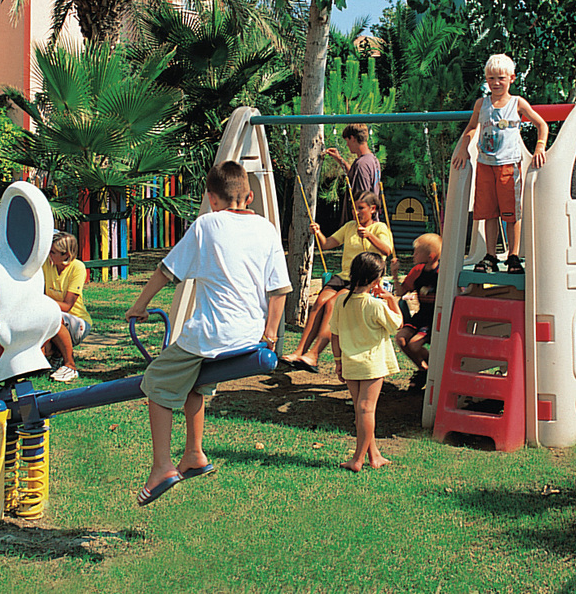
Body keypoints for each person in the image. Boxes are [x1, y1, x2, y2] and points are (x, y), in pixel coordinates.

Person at [124, 160, 290, 506]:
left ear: (211, 199)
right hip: (251, 335)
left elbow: (167, 271)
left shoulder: (206, 225)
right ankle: (194, 453)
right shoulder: (267, 229)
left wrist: (139, 306)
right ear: (249, 196)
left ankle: (161, 467)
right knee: (195, 381)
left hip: (213, 334)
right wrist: (270, 335)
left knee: (156, 380)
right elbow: (279, 290)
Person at [451, 53, 549, 274]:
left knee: (511, 213)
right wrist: (464, 149)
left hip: (508, 165)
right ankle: (490, 255)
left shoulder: (517, 103)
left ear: (511, 78)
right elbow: (472, 127)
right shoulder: (481, 104)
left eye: (501, 78)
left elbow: (541, 124)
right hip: (485, 164)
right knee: (489, 212)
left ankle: (513, 255)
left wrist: (540, 146)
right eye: (491, 78)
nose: (496, 83)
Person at [280, 191, 393, 372]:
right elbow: (327, 244)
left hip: (361, 278)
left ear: (373, 209)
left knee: (332, 304)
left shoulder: (379, 228)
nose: (356, 212)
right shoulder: (349, 226)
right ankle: (299, 351)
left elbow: (387, 251)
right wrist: (318, 233)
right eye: (354, 208)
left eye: (361, 208)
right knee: (319, 302)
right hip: (343, 276)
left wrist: (369, 236)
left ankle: (314, 355)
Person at [328, 251, 402, 472]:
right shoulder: (375, 305)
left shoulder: (340, 300)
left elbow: (335, 334)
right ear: (376, 279)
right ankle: (358, 459)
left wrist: (338, 361)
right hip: (372, 365)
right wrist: (392, 300)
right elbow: (397, 324)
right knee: (366, 410)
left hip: (349, 362)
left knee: (360, 410)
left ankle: (374, 455)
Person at [392, 232, 442, 390]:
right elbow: (401, 292)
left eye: (416, 252)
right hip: (422, 315)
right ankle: (424, 369)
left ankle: (435, 369)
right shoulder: (417, 271)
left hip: (436, 318)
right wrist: (395, 274)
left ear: (430, 256)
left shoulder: (442, 273)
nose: (413, 255)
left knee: (414, 345)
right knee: (400, 339)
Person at [41, 231, 91, 383]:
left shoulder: (78, 267)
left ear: (66, 254)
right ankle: (53, 357)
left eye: (53, 252)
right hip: (50, 315)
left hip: (77, 321)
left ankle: (70, 365)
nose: (49, 254)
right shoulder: (47, 264)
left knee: (54, 317)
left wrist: (40, 301)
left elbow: (67, 306)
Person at [325, 123, 382, 223]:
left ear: (353, 138)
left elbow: (363, 198)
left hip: (361, 224)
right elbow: (354, 175)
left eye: (347, 141)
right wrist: (339, 160)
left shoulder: (362, 164)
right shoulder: (373, 160)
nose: (347, 145)